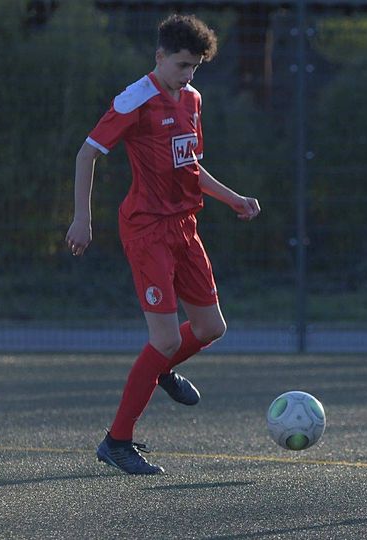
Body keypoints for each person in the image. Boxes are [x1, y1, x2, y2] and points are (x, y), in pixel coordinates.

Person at [65, 14, 261, 475]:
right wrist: (81, 218)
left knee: (210, 327)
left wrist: (233, 198)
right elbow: (87, 154)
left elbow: (190, 165)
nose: (188, 74)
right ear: (159, 56)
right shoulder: (135, 99)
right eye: (181, 65)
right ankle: (117, 441)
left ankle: (161, 365)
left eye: (195, 67)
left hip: (184, 226)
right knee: (166, 337)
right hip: (147, 228)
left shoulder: (192, 98)